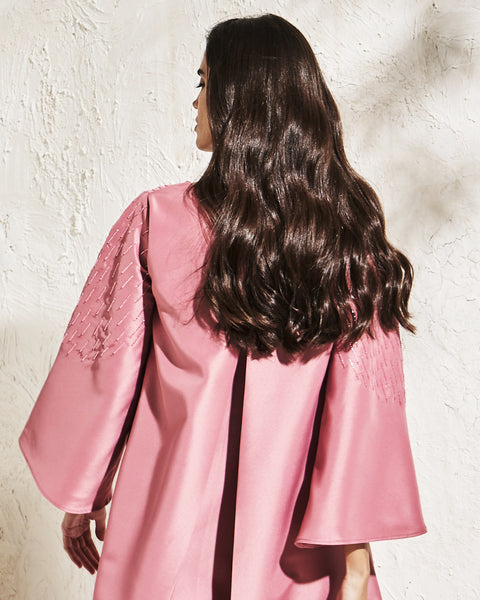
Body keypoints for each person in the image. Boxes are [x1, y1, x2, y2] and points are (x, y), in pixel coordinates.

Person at [19, 14, 426, 600]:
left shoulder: (156, 219)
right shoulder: (343, 247)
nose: (196, 101)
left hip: (165, 532)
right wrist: (355, 569)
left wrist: (86, 494)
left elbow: (110, 372)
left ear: (239, 99)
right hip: (293, 554)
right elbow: (358, 421)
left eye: (205, 83)